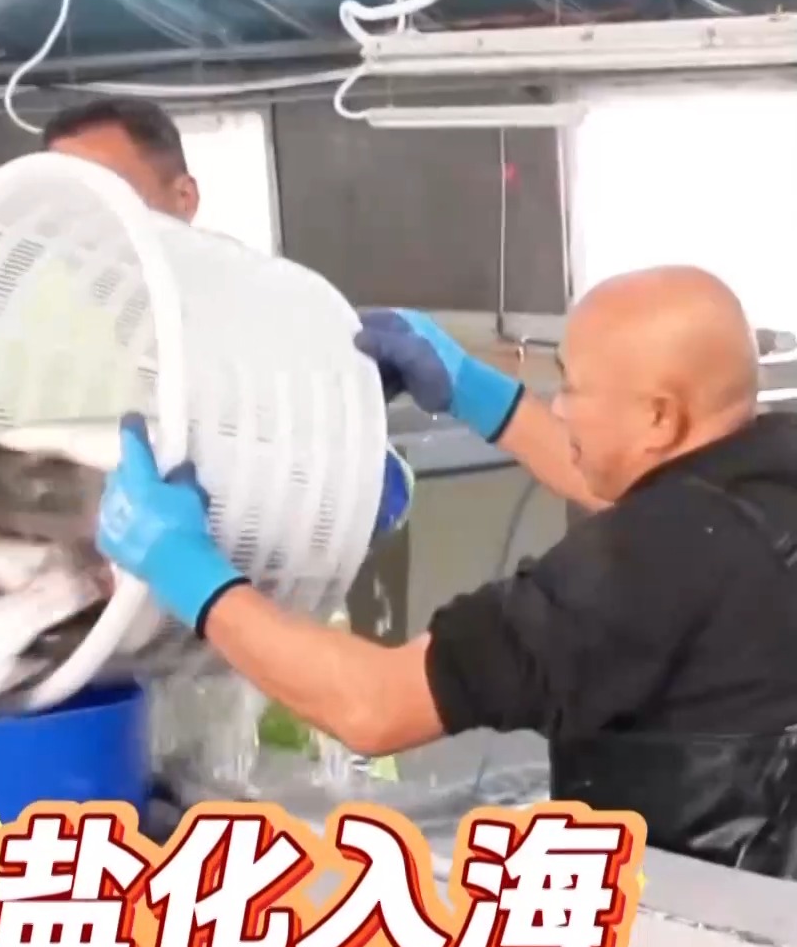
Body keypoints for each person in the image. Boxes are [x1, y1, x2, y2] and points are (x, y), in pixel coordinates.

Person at [97, 265, 797, 877]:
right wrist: (473, 391)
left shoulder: (639, 566)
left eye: (572, 387)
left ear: (659, 418)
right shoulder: (763, 476)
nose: (558, 406)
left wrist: (181, 564)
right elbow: (658, 498)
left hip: (709, 931)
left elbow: (374, 706)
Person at [0, 94, 412, 536]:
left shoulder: (263, 319)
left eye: (111, 190)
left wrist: (357, 454)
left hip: (214, 626)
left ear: (184, 197)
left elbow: (360, 505)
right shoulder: (1, 321)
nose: (88, 218)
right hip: (55, 630)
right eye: (68, 195)